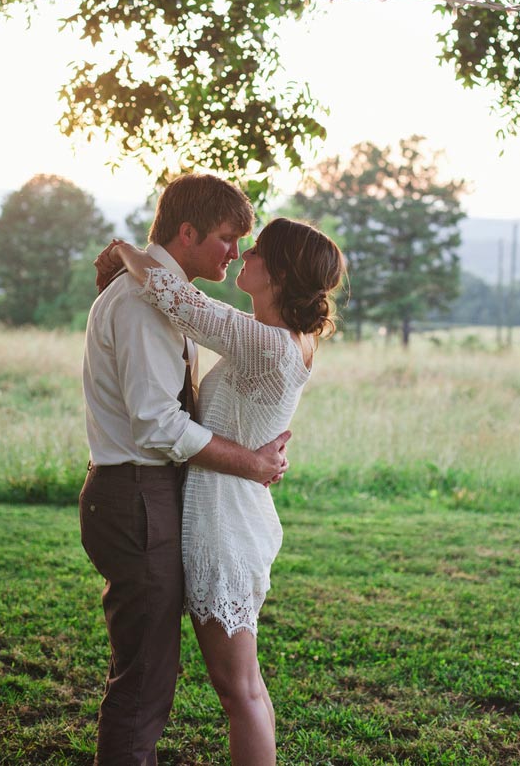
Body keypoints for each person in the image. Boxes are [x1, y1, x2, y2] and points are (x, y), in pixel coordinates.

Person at [94, 216, 345, 766]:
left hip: (224, 525)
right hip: (230, 513)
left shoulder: (271, 346)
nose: (243, 253)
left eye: (256, 249)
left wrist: (129, 253)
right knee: (246, 687)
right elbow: (203, 313)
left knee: (238, 691)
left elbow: (177, 299)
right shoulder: (280, 340)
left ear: (278, 272)